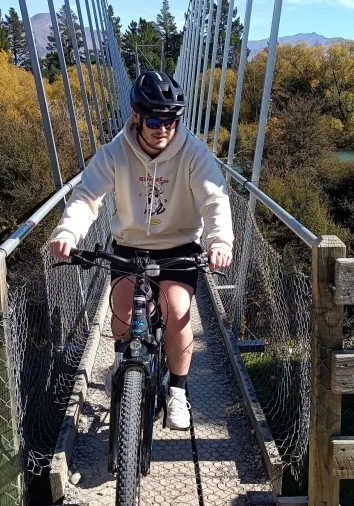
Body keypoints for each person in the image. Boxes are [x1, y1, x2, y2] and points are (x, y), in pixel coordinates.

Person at [48, 71, 234, 430]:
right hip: (130, 247)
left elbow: (215, 200)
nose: (162, 128)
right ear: (136, 116)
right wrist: (68, 231)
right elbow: (88, 195)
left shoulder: (194, 153)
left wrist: (219, 242)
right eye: (154, 120)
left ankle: (177, 392)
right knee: (121, 309)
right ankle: (123, 359)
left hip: (178, 247)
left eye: (170, 120)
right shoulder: (114, 153)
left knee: (177, 309)